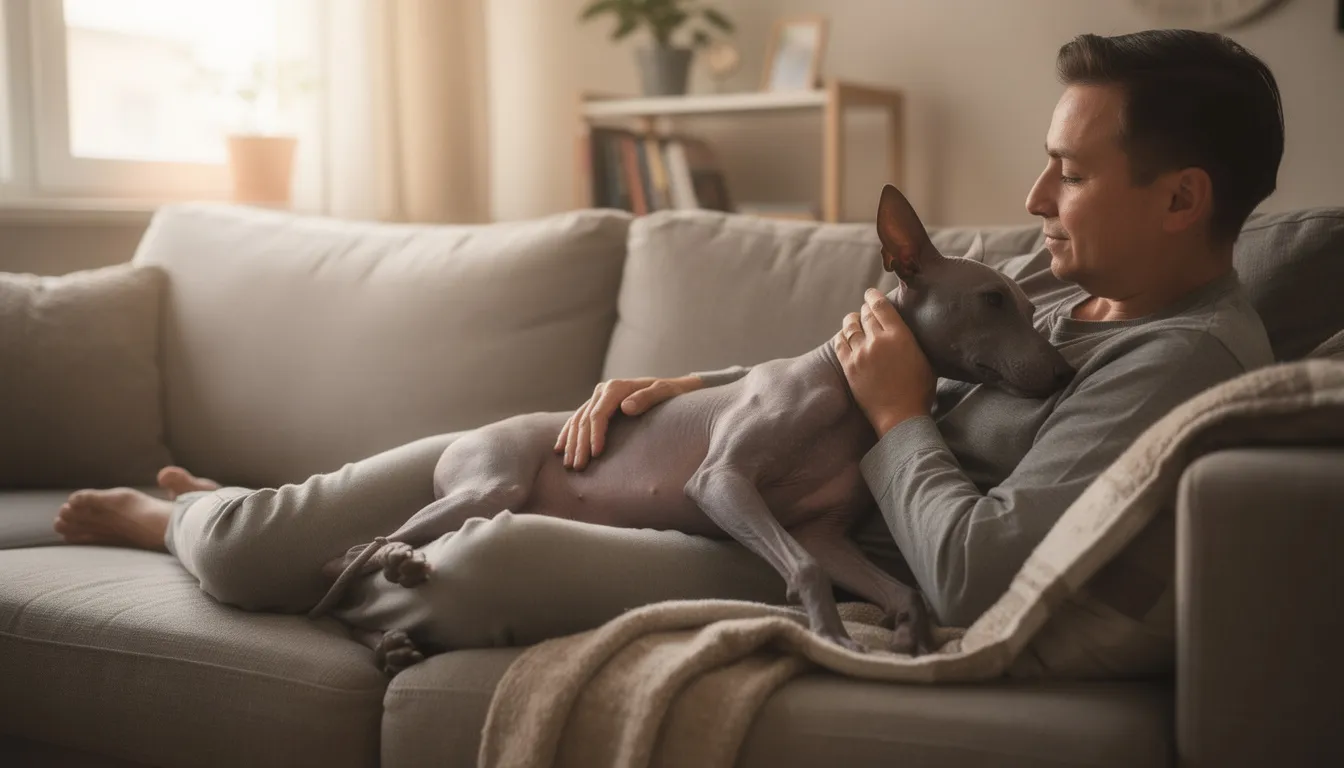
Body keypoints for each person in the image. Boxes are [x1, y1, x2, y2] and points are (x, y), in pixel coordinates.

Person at [55, 29, 1282, 646]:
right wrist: (683, 380)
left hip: (781, 544)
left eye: (1066, 174)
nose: (1030, 202)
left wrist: (906, 417)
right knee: (263, 545)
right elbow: (862, 358)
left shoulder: (1178, 363)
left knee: (463, 572)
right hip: (718, 467)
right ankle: (191, 515)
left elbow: (972, 572)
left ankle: (210, 521)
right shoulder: (1053, 281)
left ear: (1180, 197)